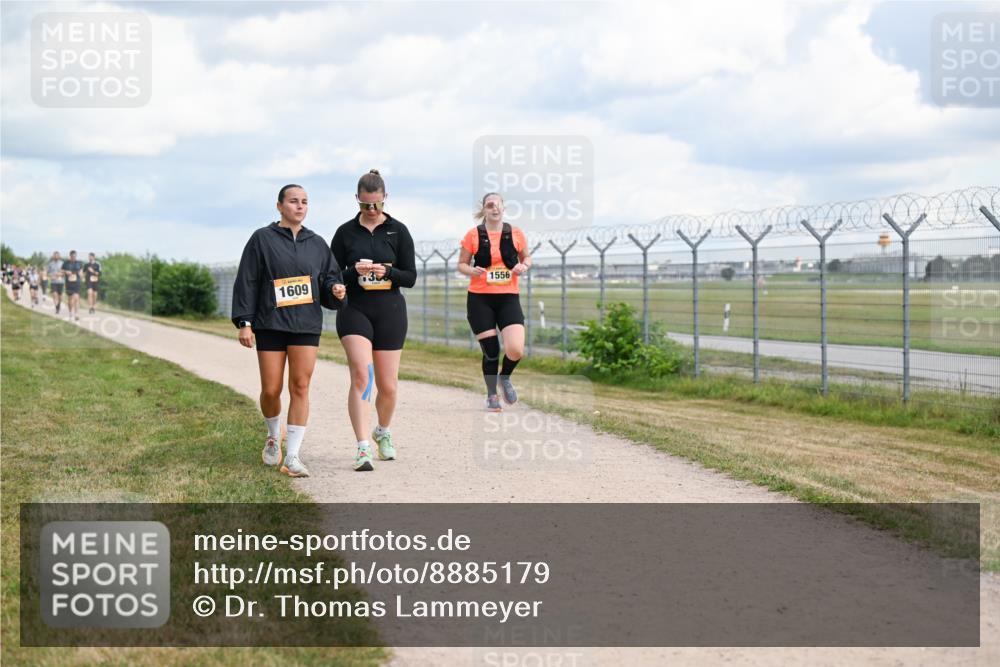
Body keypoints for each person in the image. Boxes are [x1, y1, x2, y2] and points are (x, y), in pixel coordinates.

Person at [231, 184, 346, 478]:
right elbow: (248, 280)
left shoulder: (317, 243)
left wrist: (336, 290)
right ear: (280, 206)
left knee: (301, 386)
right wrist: (245, 322)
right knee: (271, 389)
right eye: (294, 201)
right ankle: (273, 435)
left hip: (305, 324)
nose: (300, 206)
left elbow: (330, 279)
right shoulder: (262, 239)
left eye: (305, 202)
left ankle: (292, 455)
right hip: (270, 323)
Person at [331, 169, 417, 471]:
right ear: (357, 200)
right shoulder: (345, 232)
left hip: (390, 310)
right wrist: (354, 272)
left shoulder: (399, 231)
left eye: (376, 205)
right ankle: (362, 447)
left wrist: (387, 272)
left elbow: (411, 277)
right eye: (365, 205)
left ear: (385, 199)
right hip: (355, 309)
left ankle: (382, 431)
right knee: (361, 377)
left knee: (388, 386)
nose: (370, 210)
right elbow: (331, 275)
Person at [457, 193, 532, 411]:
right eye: (490, 205)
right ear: (484, 210)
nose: (494, 208)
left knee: (515, 349)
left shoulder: (515, 233)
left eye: (498, 205)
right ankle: (491, 395)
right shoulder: (473, 235)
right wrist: (473, 270)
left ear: (503, 208)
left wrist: (524, 266)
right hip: (480, 299)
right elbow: (461, 264)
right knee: (491, 351)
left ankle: (504, 377)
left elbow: (527, 258)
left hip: (508, 298)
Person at [62, 251, 83, 321]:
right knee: (70, 299)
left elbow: (81, 271)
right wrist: (66, 272)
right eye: (72, 256)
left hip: (77, 282)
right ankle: (70, 313)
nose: (74, 257)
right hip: (69, 283)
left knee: (76, 298)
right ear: (70, 256)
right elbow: (61, 271)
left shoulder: (79, 263)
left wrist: (81, 275)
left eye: (75, 256)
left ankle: (76, 314)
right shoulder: (66, 263)